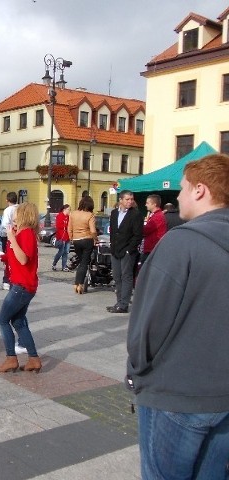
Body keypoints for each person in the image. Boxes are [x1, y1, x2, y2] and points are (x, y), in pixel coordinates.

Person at [126, 154, 229, 479]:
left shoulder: (181, 243)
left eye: (182, 188)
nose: (179, 196)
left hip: (175, 394)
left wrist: (136, 373)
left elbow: (147, 325)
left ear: (200, 190)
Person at [0, 202, 42, 374]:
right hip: (20, 284)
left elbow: (23, 259)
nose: (13, 216)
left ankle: (11, 359)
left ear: (24, 215)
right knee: (18, 322)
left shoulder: (27, 233)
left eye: (16, 213)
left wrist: (12, 238)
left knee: (2, 319)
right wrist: (1, 257)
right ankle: (34, 359)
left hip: (22, 286)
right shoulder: (20, 233)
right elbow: (16, 257)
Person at [108, 190, 143, 313]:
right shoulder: (113, 213)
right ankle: (119, 302)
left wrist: (129, 250)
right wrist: (112, 247)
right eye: (127, 199)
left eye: (131, 199)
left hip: (128, 251)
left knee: (126, 276)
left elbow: (138, 235)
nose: (130, 201)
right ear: (121, 200)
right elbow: (113, 232)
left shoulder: (136, 214)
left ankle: (123, 304)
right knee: (117, 277)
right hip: (115, 250)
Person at [68, 196, 97, 294]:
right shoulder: (90, 215)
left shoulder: (73, 214)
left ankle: (76, 284)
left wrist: (72, 238)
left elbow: (69, 229)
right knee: (84, 262)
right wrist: (95, 239)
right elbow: (93, 231)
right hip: (87, 239)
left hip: (76, 240)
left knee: (81, 262)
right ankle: (79, 284)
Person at [0, 192, 18, 290]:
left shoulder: (8, 210)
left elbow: (5, 225)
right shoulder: (20, 208)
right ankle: (14, 278)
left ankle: (6, 280)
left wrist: (3, 234)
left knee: (7, 258)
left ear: (7, 200)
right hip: (18, 235)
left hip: (8, 236)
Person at [140, 194, 167, 265]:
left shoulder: (157, 216)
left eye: (147, 203)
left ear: (154, 204)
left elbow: (145, 230)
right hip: (152, 247)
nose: (146, 205)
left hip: (152, 248)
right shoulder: (155, 215)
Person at [51, 204, 71, 272]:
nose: (69, 211)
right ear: (64, 209)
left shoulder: (68, 217)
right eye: (68, 209)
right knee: (61, 252)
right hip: (61, 236)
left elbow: (70, 225)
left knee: (66, 252)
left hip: (67, 236)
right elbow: (58, 226)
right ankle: (54, 264)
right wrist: (65, 226)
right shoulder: (59, 216)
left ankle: (64, 266)